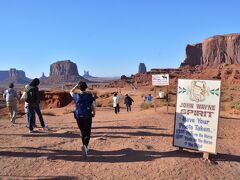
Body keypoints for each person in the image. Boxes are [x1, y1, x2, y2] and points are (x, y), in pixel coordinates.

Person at [70, 81, 96, 159]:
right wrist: (94, 113)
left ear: (79, 88)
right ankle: (85, 146)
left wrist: (76, 85)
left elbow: (70, 91)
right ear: (86, 87)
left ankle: (85, 146)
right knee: (87, 132)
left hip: (78, 115)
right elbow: (93, 106)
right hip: (87, 115)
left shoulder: (75, 95)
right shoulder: (89, 95)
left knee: (82, 132)